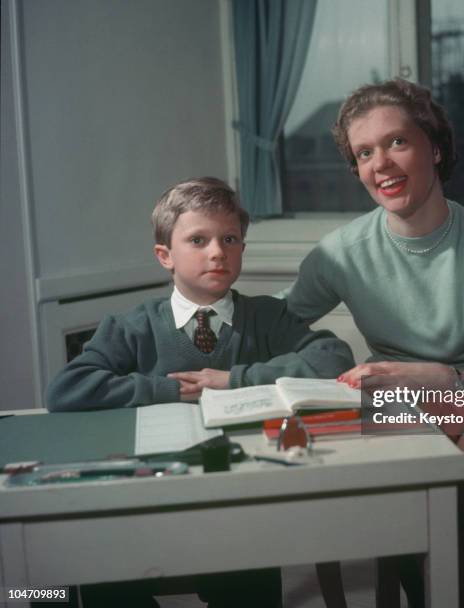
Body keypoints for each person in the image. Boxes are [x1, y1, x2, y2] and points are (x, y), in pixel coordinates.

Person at [287, 79, 464, 607]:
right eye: (364, 153)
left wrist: (448, 381)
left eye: (396, 142)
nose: (380, 164)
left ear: (434, 147)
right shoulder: (340, 253)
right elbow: (273, 322)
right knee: (317, 435)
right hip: (394, 412)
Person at [46, 176, 355, 608]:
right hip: (149, 501)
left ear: (242, 249)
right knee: (103, 573)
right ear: (165, 256)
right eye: (198, 239)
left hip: (242, 500)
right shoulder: (131, 326)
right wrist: (168, 390)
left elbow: (333, 359)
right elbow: (67, 389)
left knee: (252, 580)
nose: (217, 252)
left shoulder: (266, 316)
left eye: (230, 239)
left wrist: (233, 379)